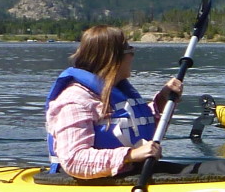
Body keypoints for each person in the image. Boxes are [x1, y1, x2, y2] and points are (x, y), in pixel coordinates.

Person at [45, 25, 184, 179]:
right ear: (113, 58)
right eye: (129, 50)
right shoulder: (75, 100)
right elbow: (73, 160)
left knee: (214, 169)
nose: (133, 54)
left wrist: (162, 101)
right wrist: (130, 155)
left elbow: (140, 131)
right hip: (92, 182)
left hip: (132, 172)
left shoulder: (117, 92)